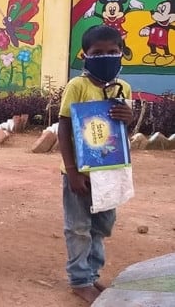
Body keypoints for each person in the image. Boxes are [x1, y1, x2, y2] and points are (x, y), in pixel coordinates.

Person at [58, 25, 134, 304]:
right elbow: (64, 127)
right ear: (85, 56)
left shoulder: (123, 87)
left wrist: (128, 117)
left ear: (121, 54)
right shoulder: (77, 86)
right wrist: (72, 170)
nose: (106, 57)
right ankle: (79, 279)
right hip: (80, 173)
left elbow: (121, 133)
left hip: (110, 172)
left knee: (102, 225)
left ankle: (91, 273)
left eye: (112, 52)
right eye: (98, 53)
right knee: (78, 226)